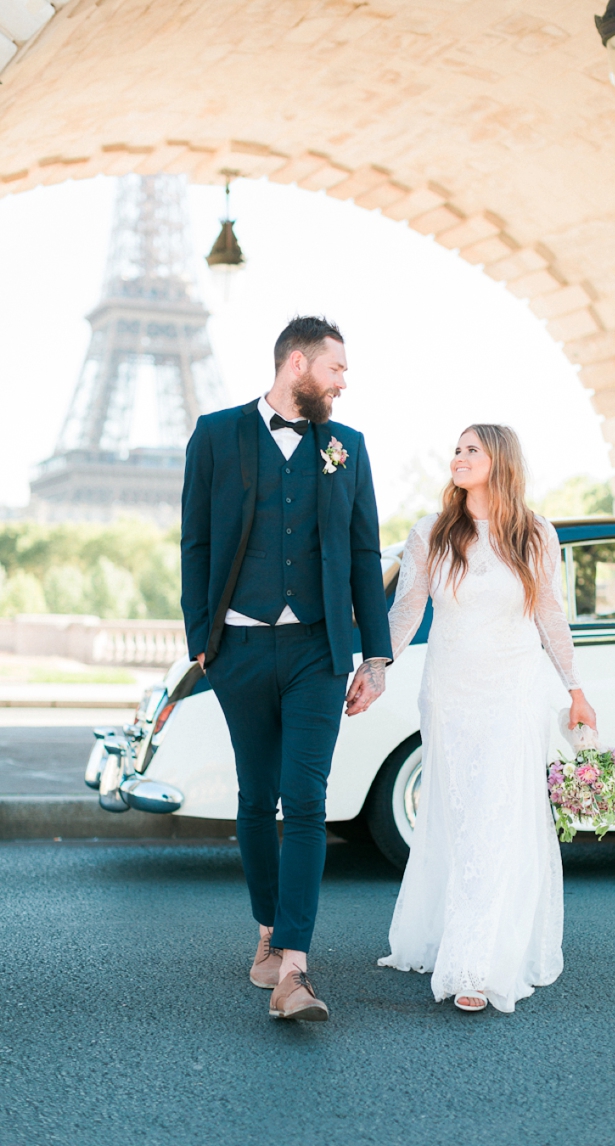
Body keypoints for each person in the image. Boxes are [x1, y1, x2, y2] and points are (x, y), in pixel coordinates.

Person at [181, 316, 392, 1022]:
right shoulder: (216, 434)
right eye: (335, 369)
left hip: (316, 652)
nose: (342, 382)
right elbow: (196, 541)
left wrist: (377, 653)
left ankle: (293, 964)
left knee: (306, 798)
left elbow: (365, 555)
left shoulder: (347, 447)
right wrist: (199, 642)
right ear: (296, 364)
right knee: (255, 797)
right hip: (238, 649)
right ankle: (268, 926)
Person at [378, 423, 597, 1013]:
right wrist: (376, 670)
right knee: (457, 815)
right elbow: (405, 613)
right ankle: (448, 934)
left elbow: (550, 614)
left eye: (471, 449)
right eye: (455, 448)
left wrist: (574, 687)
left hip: (512, 693)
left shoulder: (535, 534)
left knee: (495, 819)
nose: (457, 457)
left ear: (500, 461)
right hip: (448, 694)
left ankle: (476, 966)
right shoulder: (432, 532)